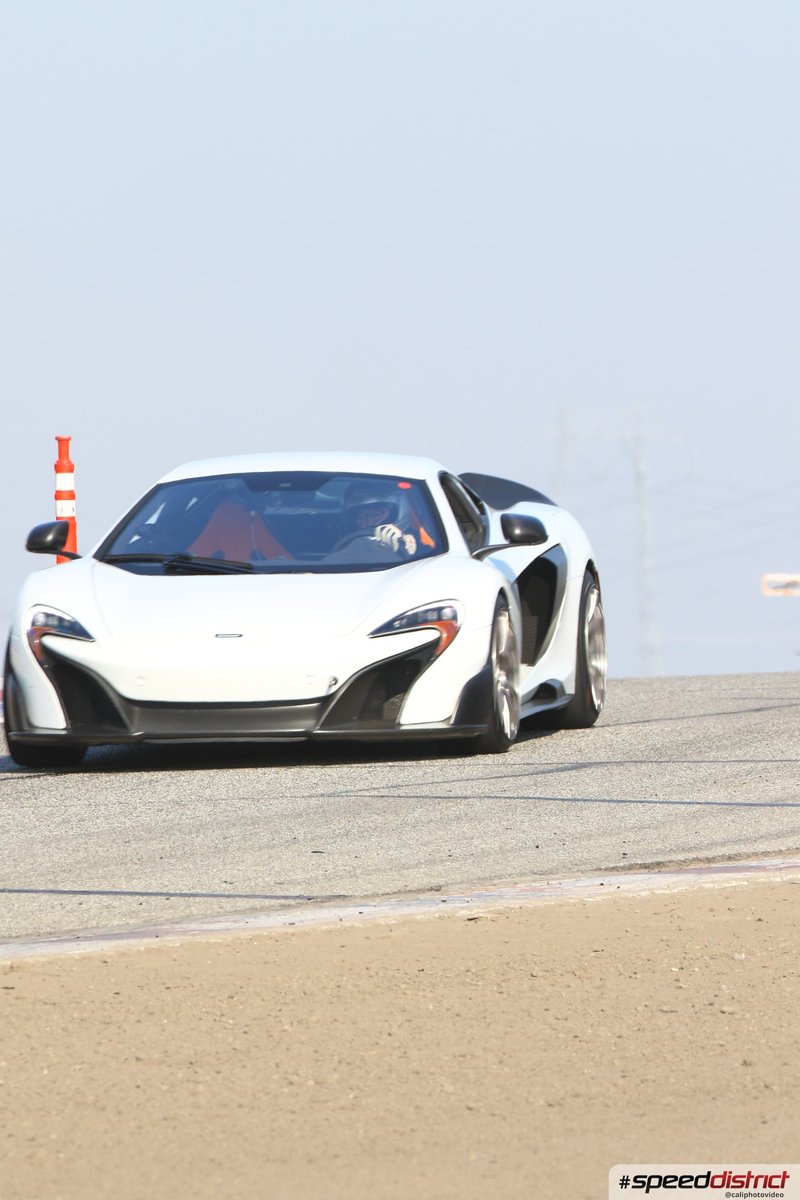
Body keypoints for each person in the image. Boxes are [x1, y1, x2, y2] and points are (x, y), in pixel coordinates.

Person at [337, 481, 417, 556]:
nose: (367, 523)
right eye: (360, 517)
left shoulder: (422, 548)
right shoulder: (345, 547)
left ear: (402, 510)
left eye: (375, 515)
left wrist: (404, 546)